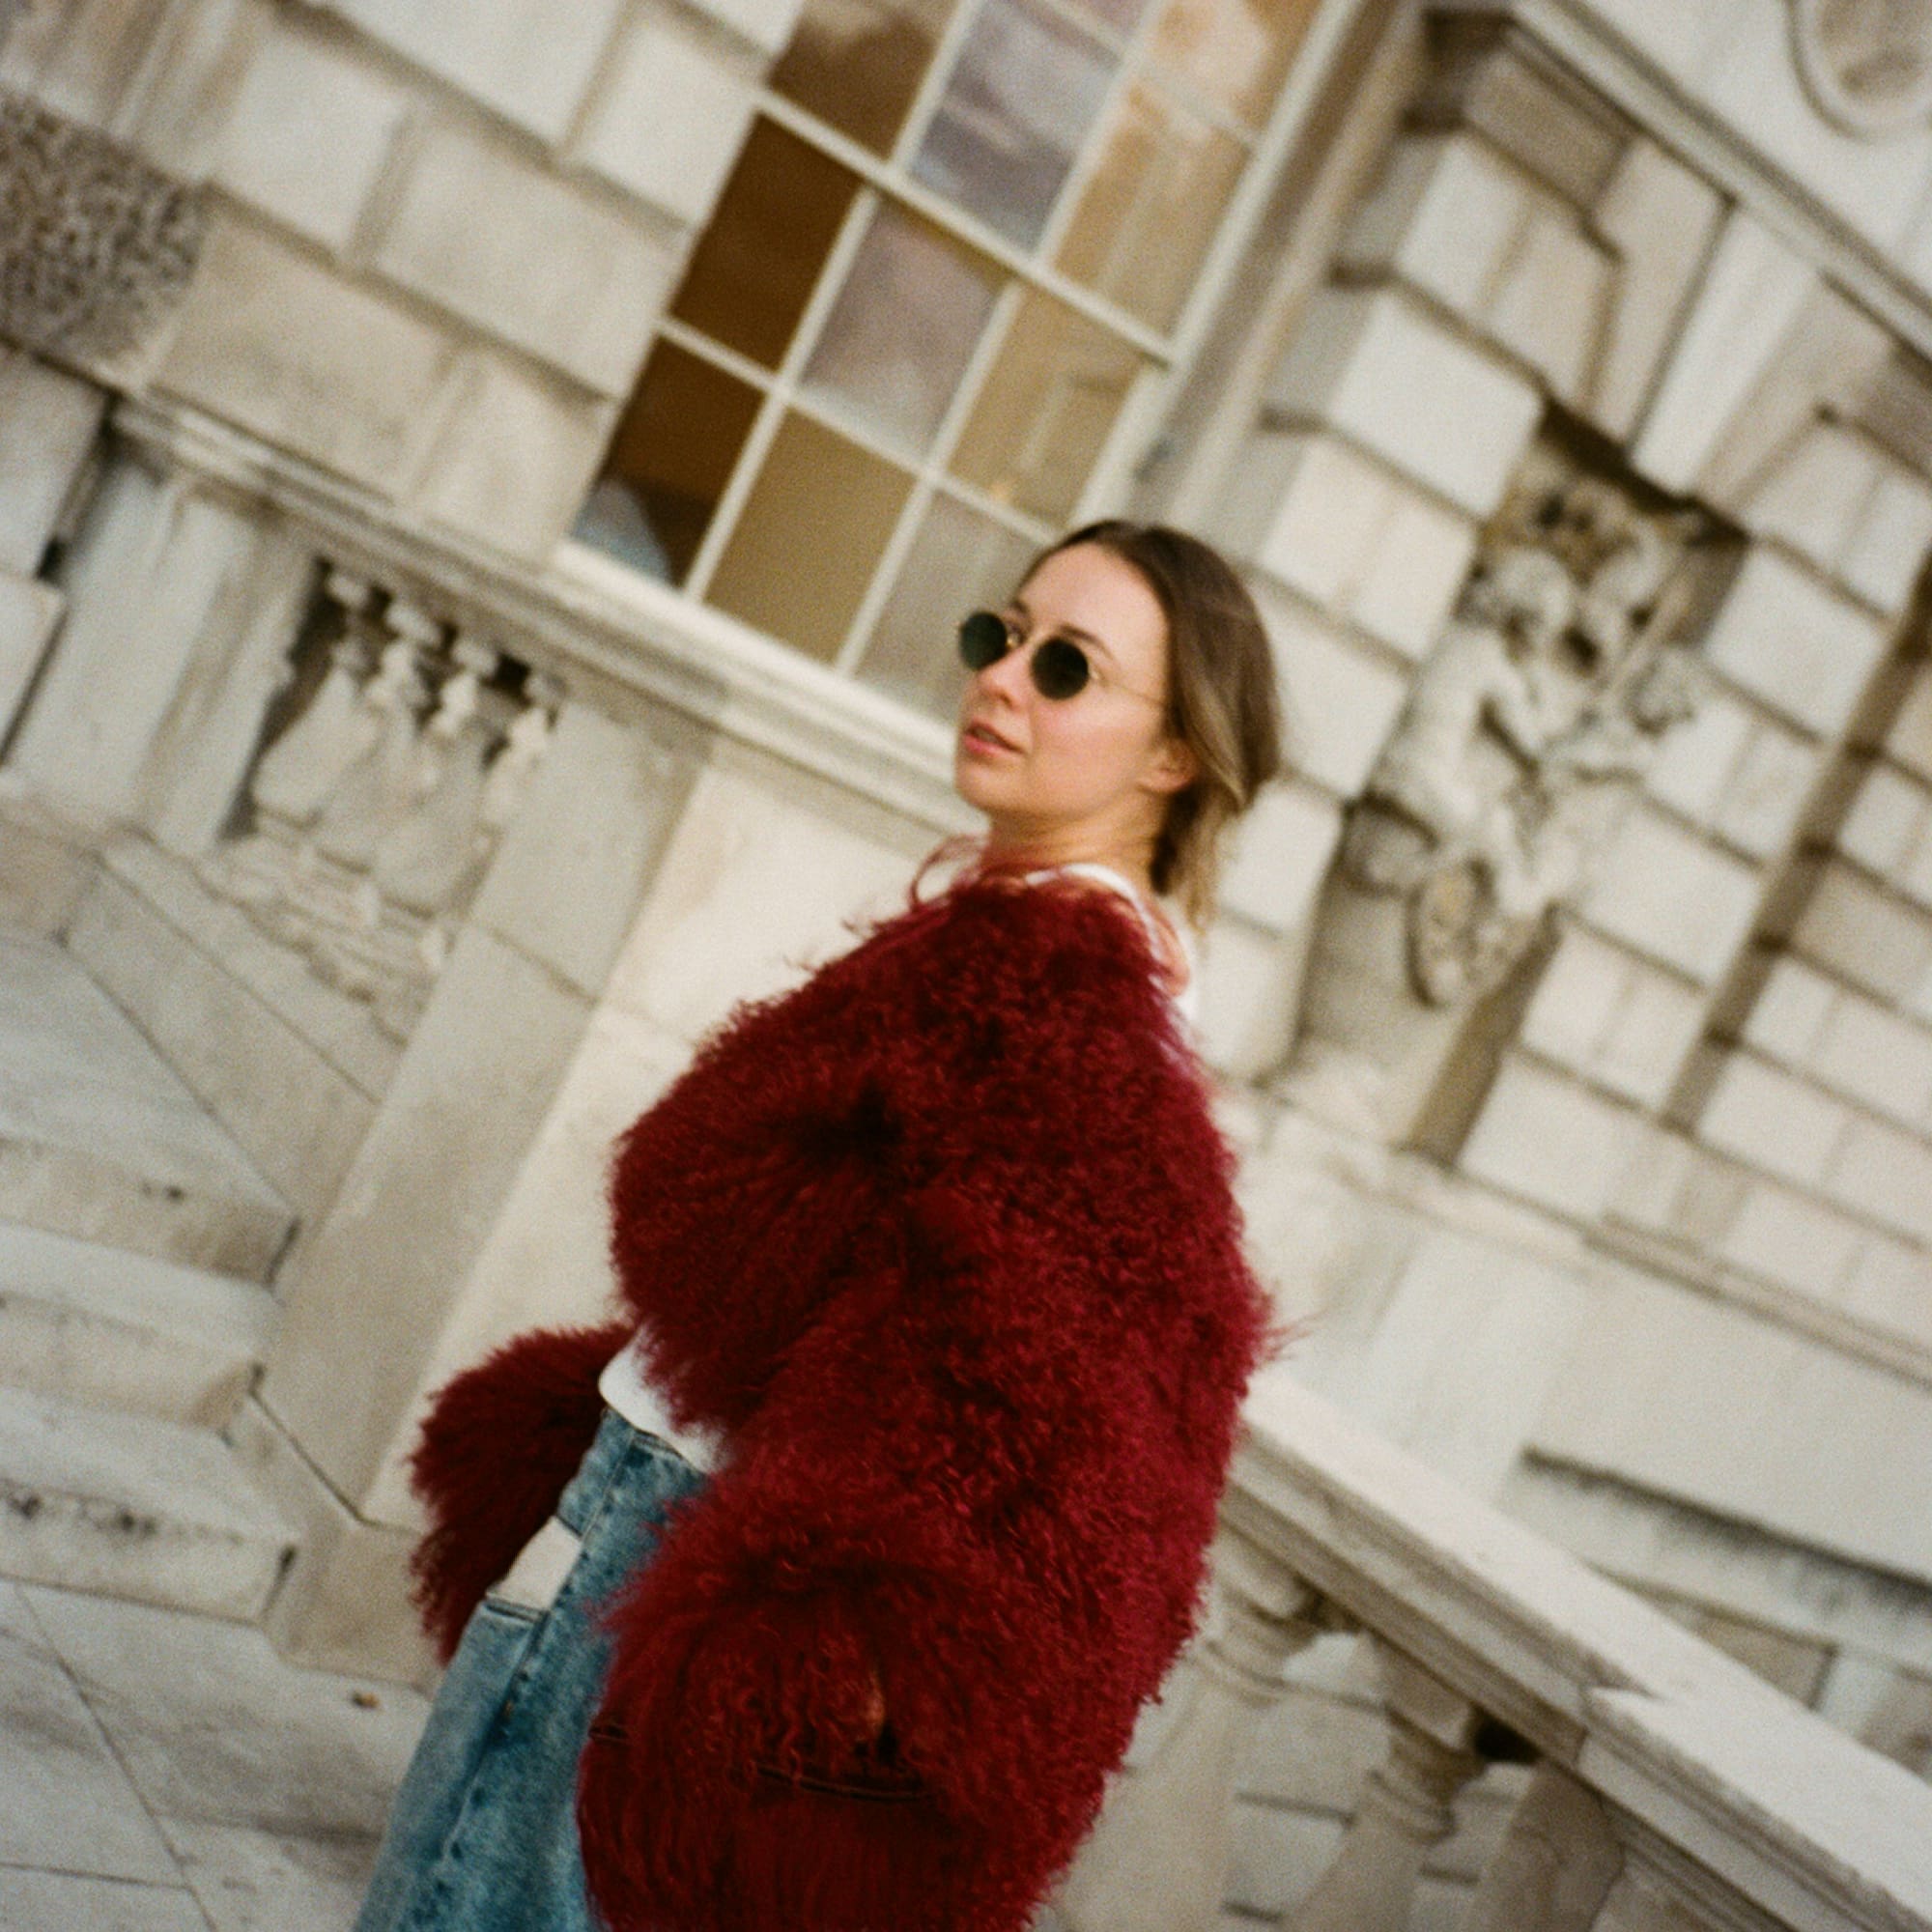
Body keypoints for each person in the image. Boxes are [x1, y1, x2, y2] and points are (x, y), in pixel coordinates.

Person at [356, 520, 1285, 1932]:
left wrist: (822, 1625)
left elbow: (1030, 1382)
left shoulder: (1056, 989)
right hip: (661, 1554)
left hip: (667, 1584)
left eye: (1068, 666)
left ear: (1174, 756)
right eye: (1000, 634)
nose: (1004, 680)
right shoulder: (1056, 959)